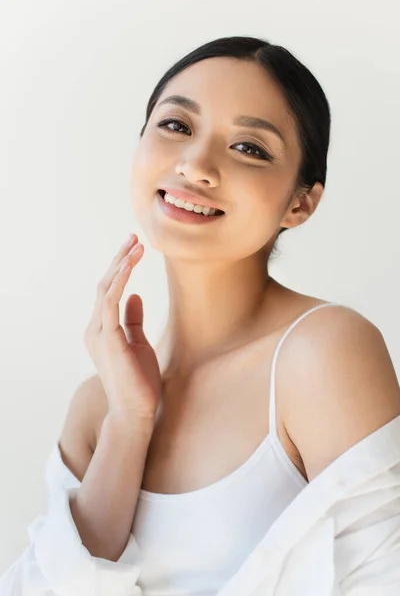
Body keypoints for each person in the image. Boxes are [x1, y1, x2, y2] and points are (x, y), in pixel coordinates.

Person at [1, 35, 400, 596]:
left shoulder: (322, 354)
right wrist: (129, 424)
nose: (196, 165)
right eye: (176, 127)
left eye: (250, 148)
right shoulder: (99, 406)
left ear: (300, 203)